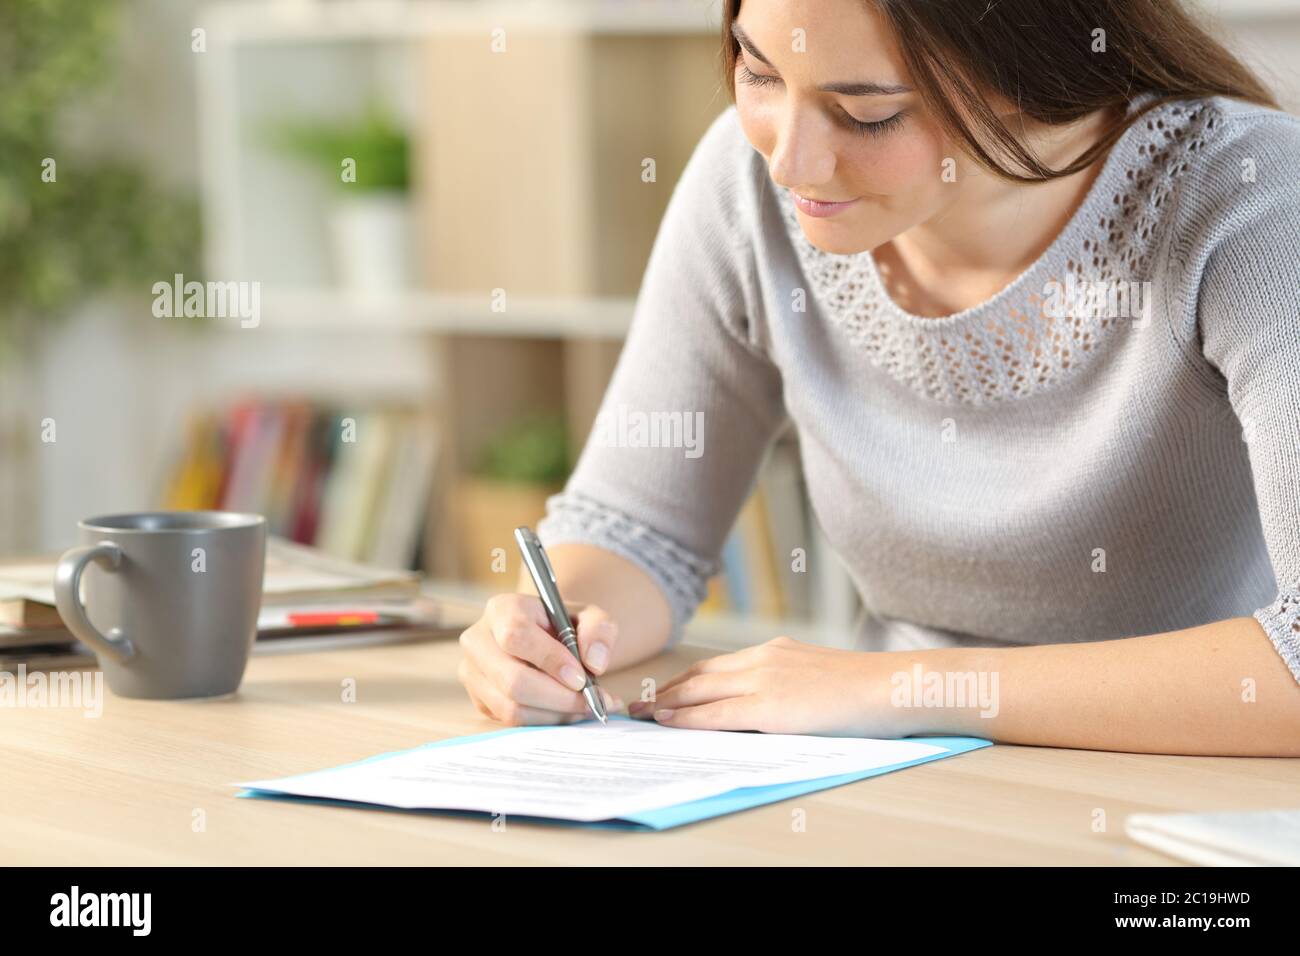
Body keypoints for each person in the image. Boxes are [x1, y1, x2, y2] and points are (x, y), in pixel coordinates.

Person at [456, 0, 1300, 755]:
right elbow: (638, 530)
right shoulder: (750, 185)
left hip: (1182, 798)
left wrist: (905, 688)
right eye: (757, 71)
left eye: (867, 114)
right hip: (882, 772)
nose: (791, 163)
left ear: (1035, 73)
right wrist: (553, 632)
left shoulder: (1254, 199)